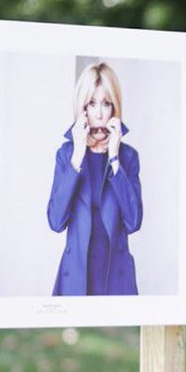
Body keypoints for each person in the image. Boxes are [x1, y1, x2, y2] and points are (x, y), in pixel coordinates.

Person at [47, 61, 143, 295]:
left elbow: (134, 222)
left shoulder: (128, 156)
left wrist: (114, 159)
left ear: (115, 107)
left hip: (116, 279)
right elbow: (56, 221)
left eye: (106, 103)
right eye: (92, 103)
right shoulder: (67, 154)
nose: (99, 113)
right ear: (82, 107)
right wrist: (78, 155)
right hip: (76, 278)